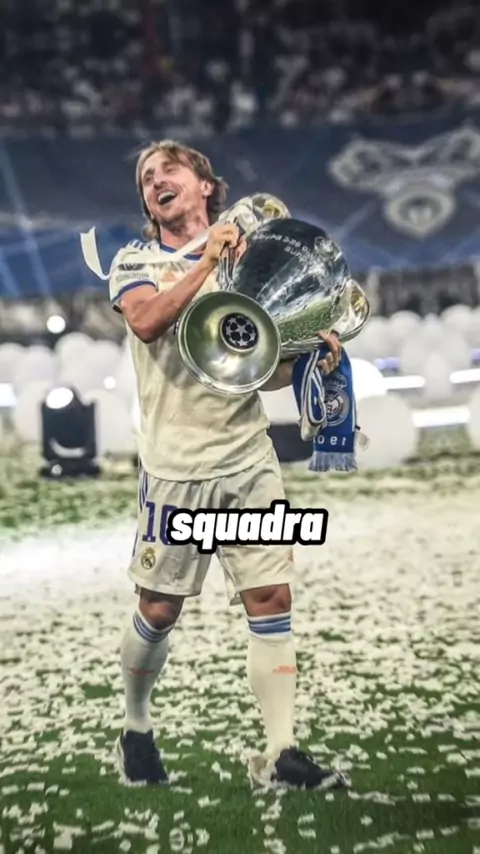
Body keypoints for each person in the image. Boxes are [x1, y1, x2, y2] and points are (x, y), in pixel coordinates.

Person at [109, 139, 348, 791]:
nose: (156, 180)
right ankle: (135, 727)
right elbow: (146, 321)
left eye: (170, 169)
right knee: (158, 611)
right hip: (176, 467)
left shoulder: (246, 266)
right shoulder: (135, 261)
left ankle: (281, 752)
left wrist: (306, 362)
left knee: (271, 597)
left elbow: (255, 370)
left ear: (206, 186)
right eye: (147, 177)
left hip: (247, 458)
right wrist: (205, 261)